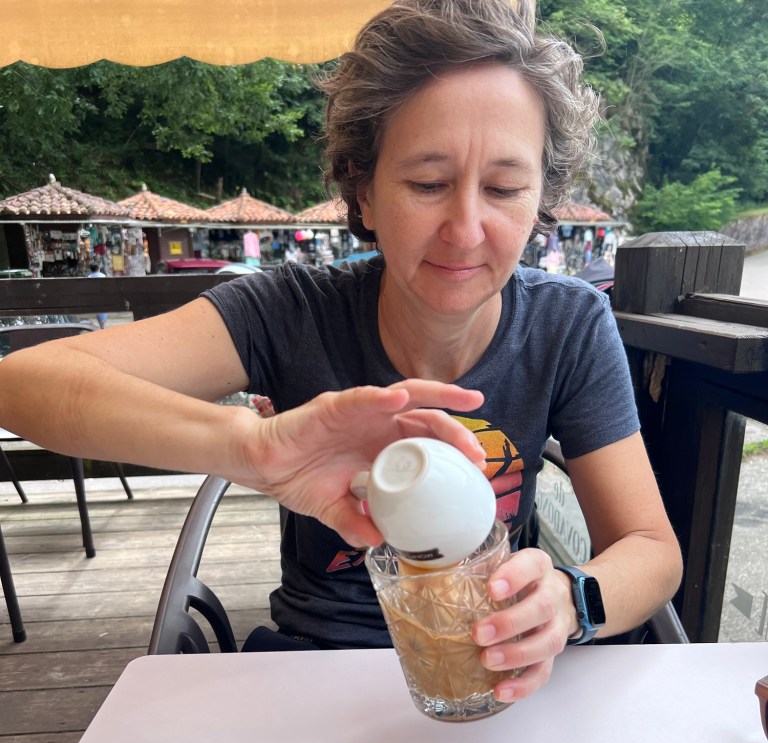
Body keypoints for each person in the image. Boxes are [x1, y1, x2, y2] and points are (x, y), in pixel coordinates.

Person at [0, 0, 682, 702]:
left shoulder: (568, 324)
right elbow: (24, 384)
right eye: (427, 184)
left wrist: (570, 601)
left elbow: (651, 551)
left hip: (495, 665)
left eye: (505, 188)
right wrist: (254, 448)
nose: (466, 229)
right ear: (364, 189)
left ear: (541, 200)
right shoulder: (290, 312)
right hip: (312, 669)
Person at [87, 262, 108, 329]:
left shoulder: (89, 277)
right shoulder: (103, 275)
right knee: (104, 306)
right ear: (98, 268)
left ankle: (101, 322)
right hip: (103, 296)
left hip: (94, 297)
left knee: (98, 307)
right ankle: (103, 321)